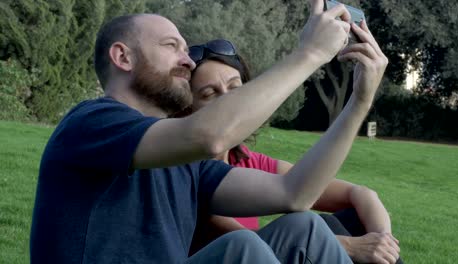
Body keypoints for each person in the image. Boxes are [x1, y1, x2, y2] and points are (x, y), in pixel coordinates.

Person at [30, 0, 389, 263]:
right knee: (242, 249)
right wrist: (310, 53)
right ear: (123, 57)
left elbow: (294, 193)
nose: (188, 61)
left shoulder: (188, 163)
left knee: (306, 228)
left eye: (186, 51)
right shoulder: (92, 121)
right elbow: (209, 136)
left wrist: (359, 102)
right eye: (171, 47)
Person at [188, 39, 402, 264]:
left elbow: (360, 194)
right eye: (210, 94)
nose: (228, 100)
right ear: (185, 109)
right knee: (309, 227)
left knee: (349, 221)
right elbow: (249, 246)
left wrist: (383, 242)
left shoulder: (249, 162)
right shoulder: (185, 173)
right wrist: (351, 246)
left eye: (234, 88)